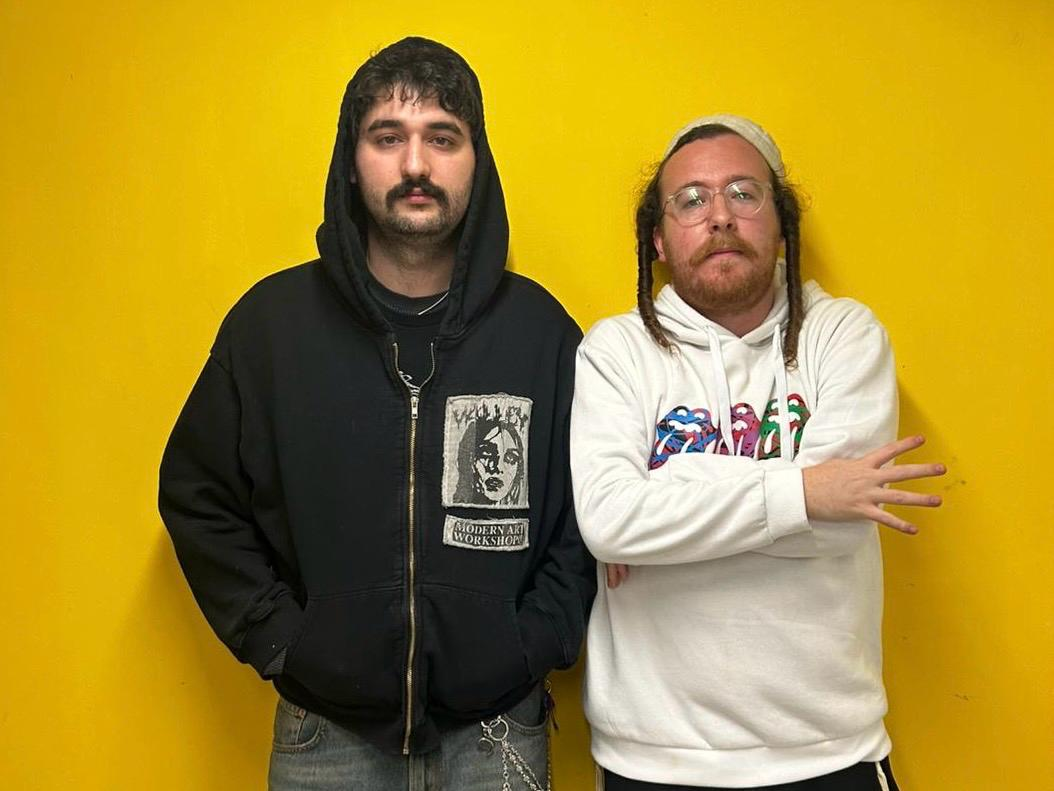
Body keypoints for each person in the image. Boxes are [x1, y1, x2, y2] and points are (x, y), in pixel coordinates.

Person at [159, 37, 594, 790]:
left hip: (498, 732)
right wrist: (284, 641)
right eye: (388, 138)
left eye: (442, 138)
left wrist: (535, 640)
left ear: (477, 160)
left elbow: (593, 509)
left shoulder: (541, 333)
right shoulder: (271, 328)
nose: (415, 165)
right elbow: (197, 496)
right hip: (325, 735)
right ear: (351, 160)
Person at [570, 114, 945, 791]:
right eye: (691, 200)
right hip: (652, 756)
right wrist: (805, 490)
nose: (719, 215)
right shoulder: (616, 351)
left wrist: (666, 496)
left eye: (744, 193)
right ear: (658, 239)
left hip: (826, 750)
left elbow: (841, 526)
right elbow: (610, 520)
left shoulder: (844, 336)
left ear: (780, 225)